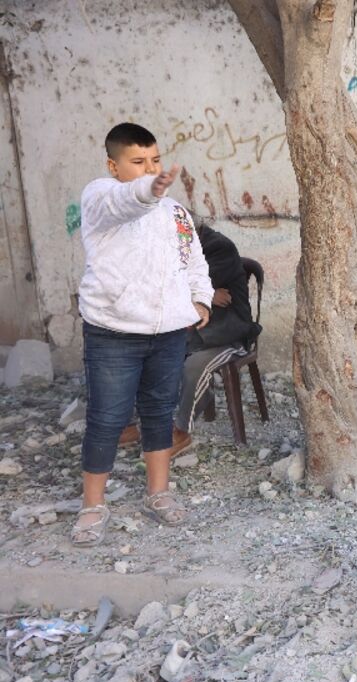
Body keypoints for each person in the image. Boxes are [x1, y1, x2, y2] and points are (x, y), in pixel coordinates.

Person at [72, 123, 212, 547]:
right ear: (113, 166)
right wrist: (147, 189)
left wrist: (199, 300)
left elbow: (193, 260)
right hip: (113, 333)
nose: (150, 170)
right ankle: (92, 507)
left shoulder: (175, 213)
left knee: (159, 414)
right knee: (107, 419)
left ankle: (158, 494)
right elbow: (125, 201)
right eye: (138, 163)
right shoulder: (100, 197)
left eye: (155, 160)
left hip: (168, 334)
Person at [117, 220, 261, 454]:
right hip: (190, 332)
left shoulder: (219, 248)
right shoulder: (172, 251)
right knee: (144, 355)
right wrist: (205, 294)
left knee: (194, 367)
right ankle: (134, 425)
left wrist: (198, 291)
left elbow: (174, 284)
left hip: (226, 333)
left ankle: (181, 431)